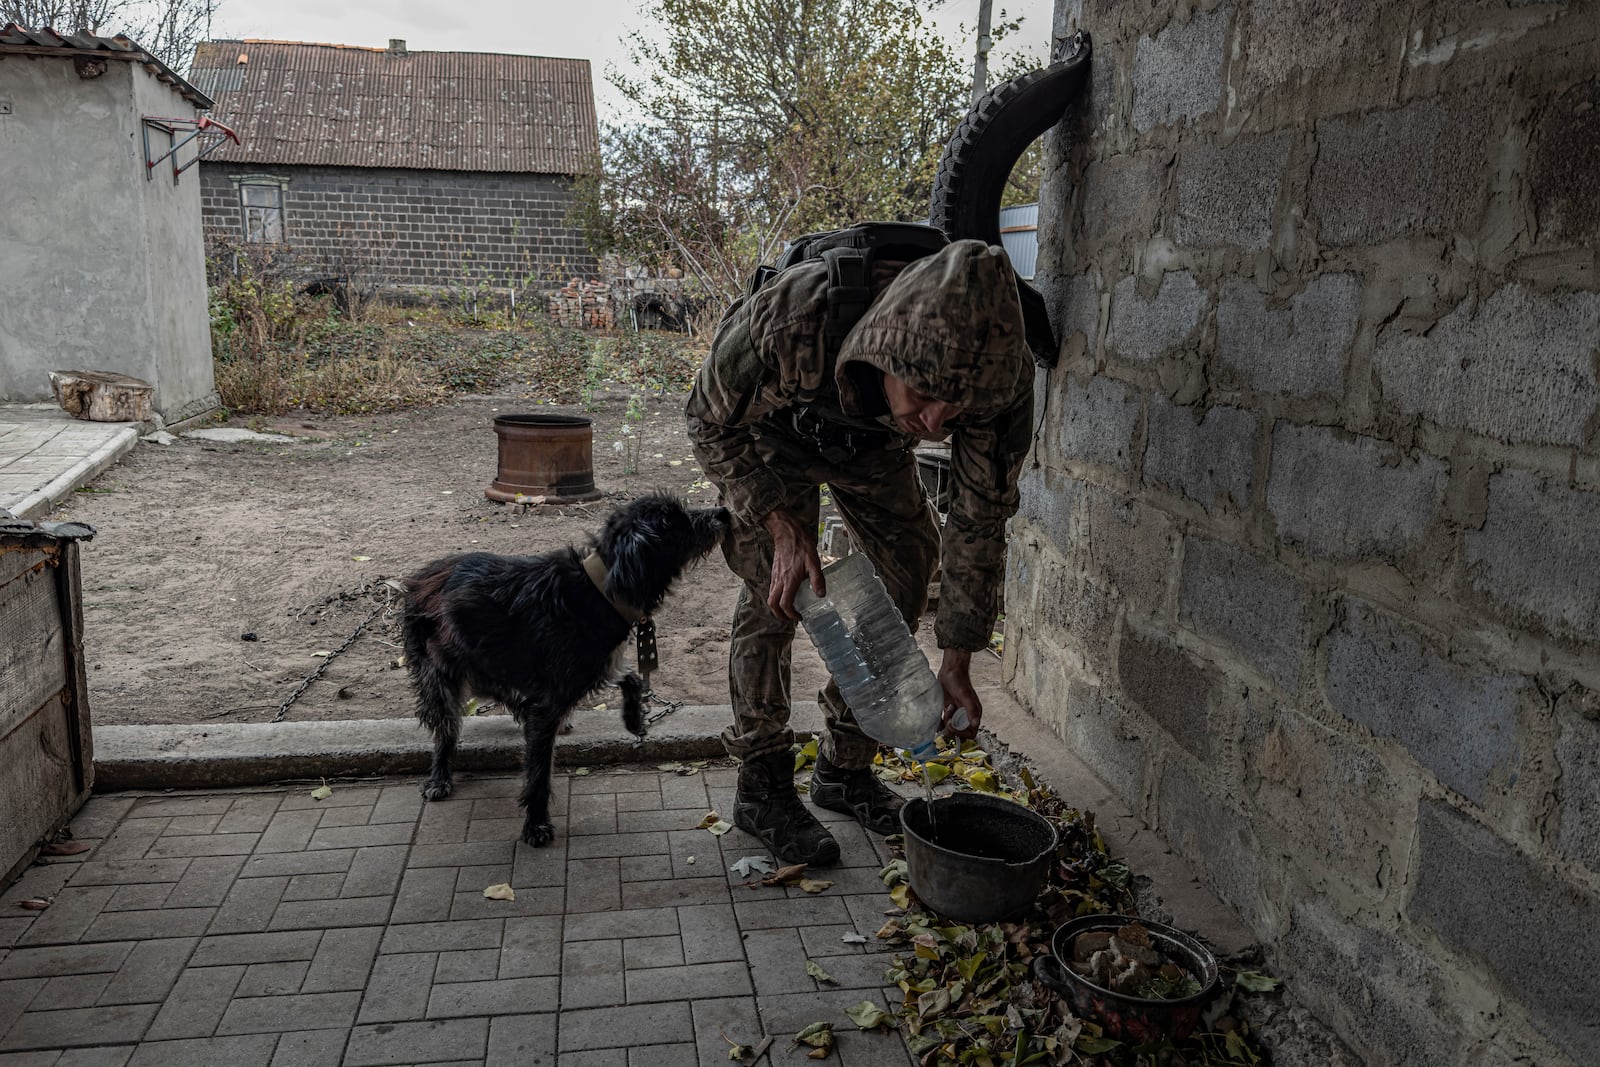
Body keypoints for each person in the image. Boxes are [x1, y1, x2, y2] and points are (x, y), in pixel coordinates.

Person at [685, 238, 1034, 865]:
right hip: (772, 438)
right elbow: (708, 419)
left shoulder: (995, 382)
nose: (935, 421)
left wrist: (958, 657)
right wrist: (782, 526)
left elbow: (979, 522)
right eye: (924, 393)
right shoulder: (798, 316)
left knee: (907, 572)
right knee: (780, 592)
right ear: (888, 352)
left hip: (874, 450)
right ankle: (761, 783)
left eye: (954, 409)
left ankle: (844, 768)